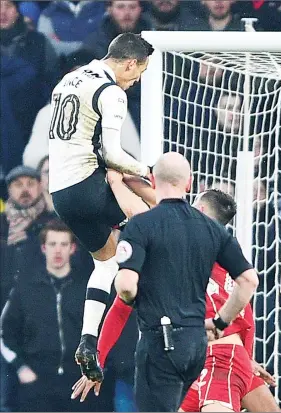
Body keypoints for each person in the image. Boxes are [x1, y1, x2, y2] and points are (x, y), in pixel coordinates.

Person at [71, 172, 279, 412]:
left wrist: (118, 179)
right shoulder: (225, 250)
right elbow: (246, 310)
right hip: (215, 355)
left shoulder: (174, 240)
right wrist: (248, 355)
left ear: (198, 209)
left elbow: (120, 308)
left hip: (213, 356)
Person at [47, 32, 154, 376]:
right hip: (87, 186)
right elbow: (110, 153)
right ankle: (162, 323)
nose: (135, 82)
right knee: (158, 219)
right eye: (138, 74)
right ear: (129, 63)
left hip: (61, 195)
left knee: (106, 264)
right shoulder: (111, 93)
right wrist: (146, 171)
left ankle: (88, 341)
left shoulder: (70, 78)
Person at [0, 220, 112, 412]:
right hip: (37, 385)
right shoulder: (25, 289)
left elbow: (106, 328)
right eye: (52, 244)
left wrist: (98, 366)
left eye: (63, 244)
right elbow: (5, 333)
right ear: (43, 248)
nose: (58, 250)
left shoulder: (88, 288)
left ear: (73, 248)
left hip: (80, 381)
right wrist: (20, 368)